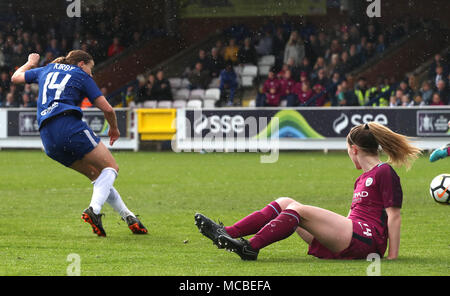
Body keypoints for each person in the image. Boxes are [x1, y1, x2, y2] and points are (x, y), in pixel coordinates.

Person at [195, 122, 422, 260]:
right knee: (285, 202)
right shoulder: (362, 178)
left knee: (297, 209)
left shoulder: (384, 172)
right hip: (351, 235)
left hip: (367, 239)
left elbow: (394, 215)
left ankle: (250, 248)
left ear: (354, 149)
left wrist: (392, 255)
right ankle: (227, 233)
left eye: (347, 150)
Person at [11, 50, 147, 237]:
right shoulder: (81, 75)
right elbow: (107, 109)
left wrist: (30, 62)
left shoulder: (47, 69)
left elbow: (15, 77)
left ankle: (128, 216)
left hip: (47, 138)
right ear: (82, 64)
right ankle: (94, 210)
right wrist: (114, 128)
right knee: (111, 167)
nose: (91, 74)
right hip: (68, 126)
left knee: (98, 177)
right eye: (91, 69)